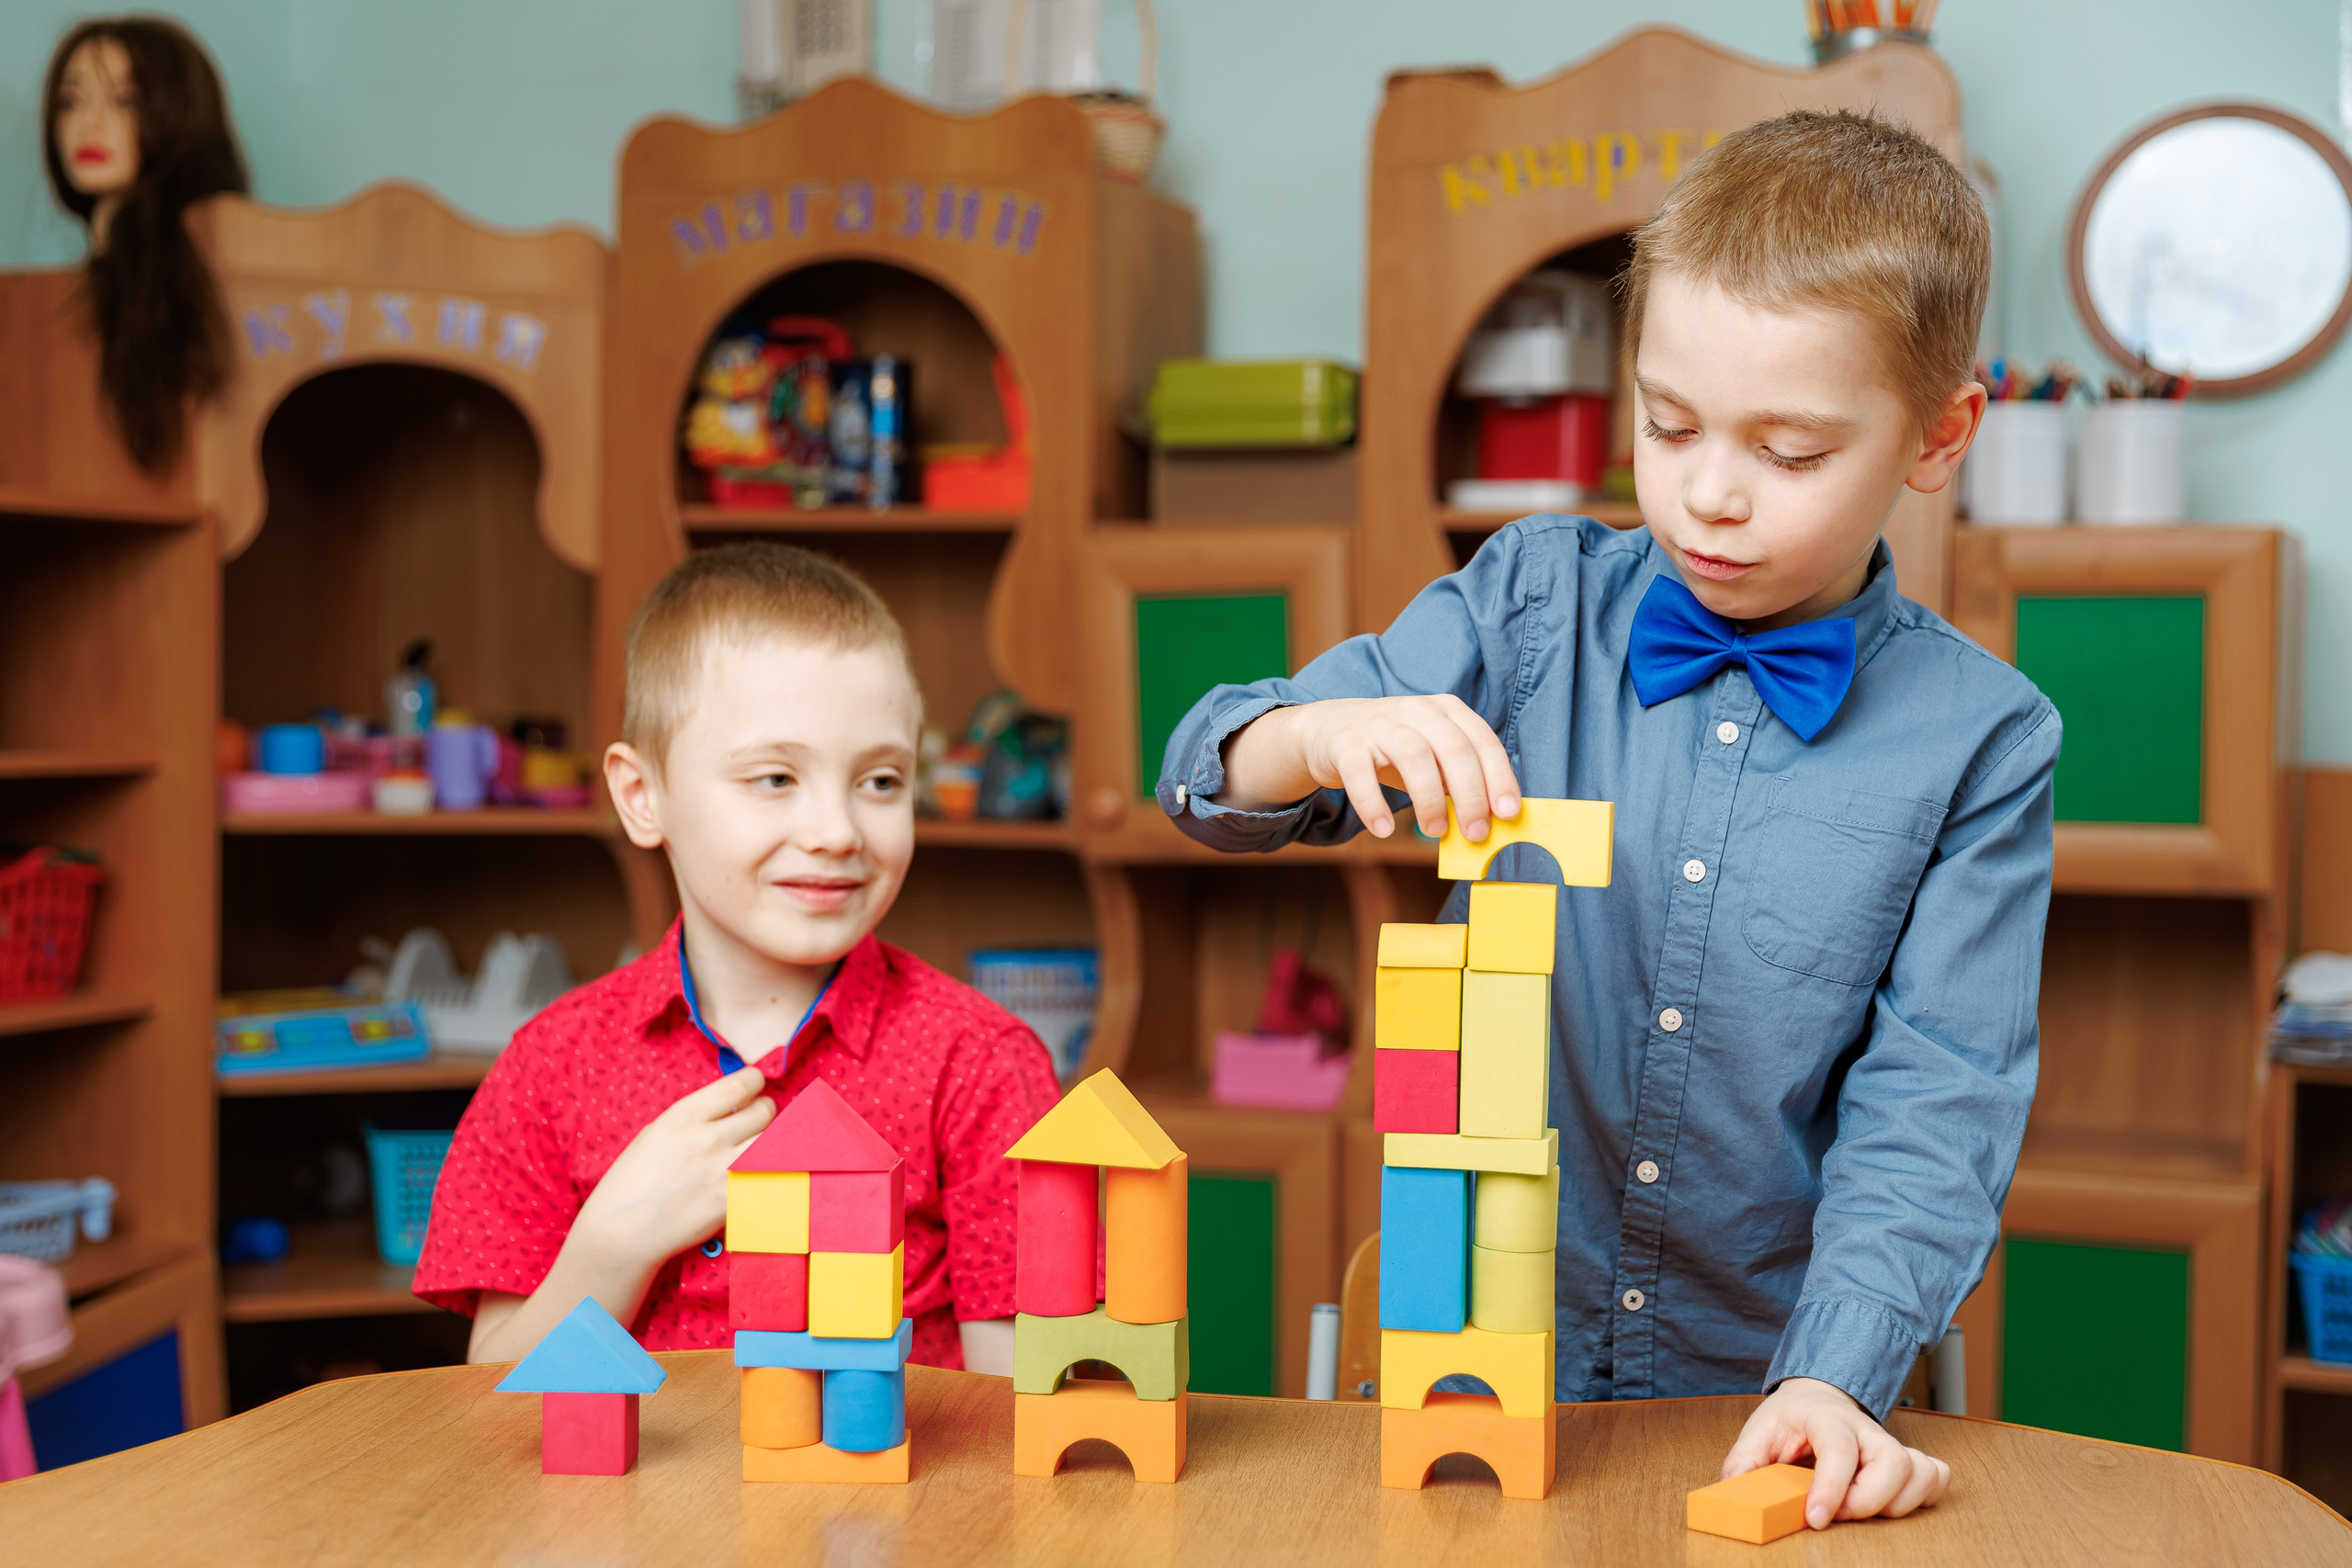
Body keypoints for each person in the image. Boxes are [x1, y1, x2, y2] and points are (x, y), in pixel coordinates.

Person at [1159, 110, 2055, 1529]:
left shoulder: (1986, 741)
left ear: (1937, 435)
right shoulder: (1529, 603)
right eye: (1669, 422)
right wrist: (1321, 731)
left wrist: (1837, 1375)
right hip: (1474, 1367)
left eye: (1792, 451)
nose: (1708, 491)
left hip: (1764, 1396)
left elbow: (1937, 1100)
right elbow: (1207, 775)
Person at [414, 543, 1059, 1374]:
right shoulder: (551, 1066)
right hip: (625, 1508)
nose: (837, 830)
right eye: (775, 778)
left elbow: (1017, 1413)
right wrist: (615, 1244)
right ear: (644, 797)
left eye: (882, 781)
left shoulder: (979, 1064)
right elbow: (491, 1400)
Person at [41, 16, 249, 474]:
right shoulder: (43, 306)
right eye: (71, 102)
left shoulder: (207, 271)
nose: (89, 125)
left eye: (125, 101)